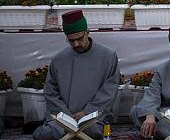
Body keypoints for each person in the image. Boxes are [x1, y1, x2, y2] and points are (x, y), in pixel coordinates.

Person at [33, 10, 120, 140]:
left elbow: (109, 90)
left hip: (93, 117)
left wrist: (86, 112)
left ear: (88, 32)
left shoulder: (108, 56)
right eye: (71, 41)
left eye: (80, 39)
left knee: (91, 132)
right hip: (63, 117)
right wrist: (66, 116)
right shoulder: (59, 59)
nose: (76, 44)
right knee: (47, 134)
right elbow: (51, 92)